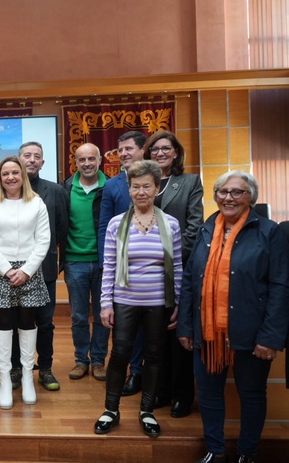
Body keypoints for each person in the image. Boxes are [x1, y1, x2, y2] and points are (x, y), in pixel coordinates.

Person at [178, 171, 289, 463]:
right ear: (215, 196)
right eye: (223, 192)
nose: (229, 198)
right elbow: (191, 281)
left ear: (250, 196)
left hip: (252, 334)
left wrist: (270, 337)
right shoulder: (206, 229)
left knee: (252, 395)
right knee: (209, 394)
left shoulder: (269, 231)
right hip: (208, 334)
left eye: (237, 192)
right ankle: (215, 450)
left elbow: (280, 286)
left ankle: (247, 453)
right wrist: (187, 328)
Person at [93, 160, 182, 438]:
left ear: (157, 188)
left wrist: (177, 301)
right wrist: (106, 303)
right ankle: (111, 410)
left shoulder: (171, 224)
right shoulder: (117, 224)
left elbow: (177, 266)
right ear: (129, 190)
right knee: (119, 355)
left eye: (147, 186)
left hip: (158, 303)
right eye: (135, 187)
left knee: (154, 356)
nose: (141, 192)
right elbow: (108, 264)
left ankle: (147, 411)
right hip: (125, 301)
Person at [0, 156, 51, 410]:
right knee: (4, 323)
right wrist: (8, 270)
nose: (10, 177)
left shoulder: (37, 203)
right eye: (5, 173)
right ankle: (5, 380)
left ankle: (28, 377)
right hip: (1, 270)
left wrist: (27, 270)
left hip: (29, 271)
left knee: (27, 322)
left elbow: (43, 240)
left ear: (23, 176)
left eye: (15, 173)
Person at [144, 129, 204, 418]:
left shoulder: (189, 182)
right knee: (155, 335)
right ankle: (161, 391)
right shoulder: (145, 183)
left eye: (165, 148)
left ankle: (182, 395)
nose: (160, 154)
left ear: (176, 152)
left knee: (179, 333)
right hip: (147, 274)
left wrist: (171, 260)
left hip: (179, 269)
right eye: (154, 150)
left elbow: (194, 226)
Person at [14, 142, 68, 392]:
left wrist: (60, 264)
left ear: (43, 163)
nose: (32, 160)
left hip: (44, 268)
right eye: (27, 155)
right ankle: (16, 368)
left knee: (45, 322)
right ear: (19, 159)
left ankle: (45, 368)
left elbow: (63, 230)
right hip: (12, 271)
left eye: (37, 156)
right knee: (15, 322)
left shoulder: (56, 191)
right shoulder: (8, 190)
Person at [97, 131, 148, 396]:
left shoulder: (154, 180)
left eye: (129, 149)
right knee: (124, 324)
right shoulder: (112, 185)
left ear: (142, 150)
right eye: (121, 150)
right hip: (120, 265)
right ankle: (129, 369)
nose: (124, 154)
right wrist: (105, 264)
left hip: (151, 265)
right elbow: (104, 225)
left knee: (147, 325)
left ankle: (142, 373)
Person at [61, 142, 108, 381]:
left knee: (103, 314)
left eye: (92, 159)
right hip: (74, 262)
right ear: (75, 162)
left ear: (99, 160)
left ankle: (99, 360)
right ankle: (81, 360)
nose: (87, 164)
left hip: (104, 263)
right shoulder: (66, 188)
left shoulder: (110, 187)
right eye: (82, 160)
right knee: (78, 316)